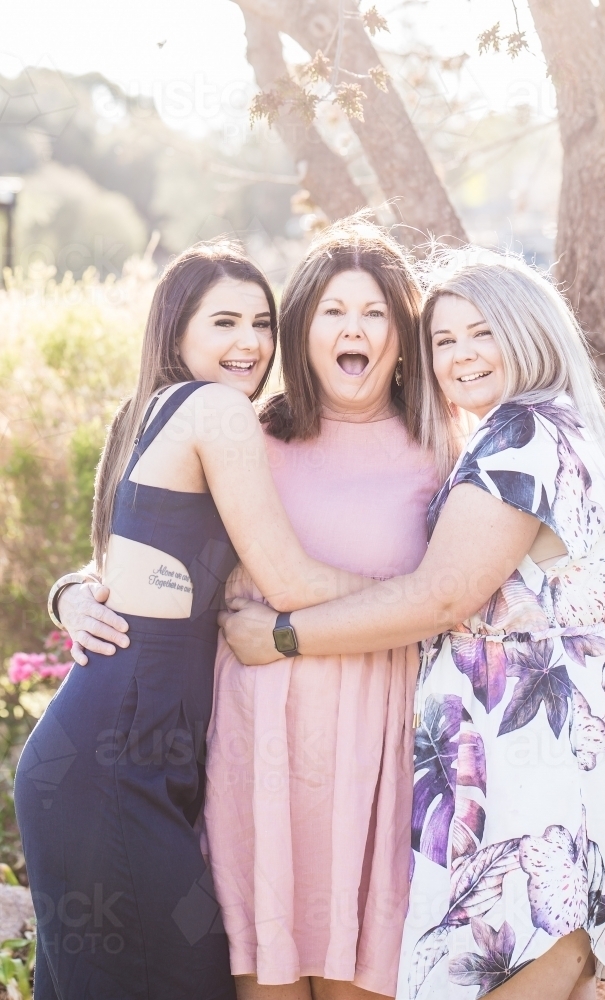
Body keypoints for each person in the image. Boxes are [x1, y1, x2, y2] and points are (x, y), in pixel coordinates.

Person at [56, 226, 605, 1000]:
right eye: (331, 311)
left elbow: (447, 591)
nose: (353, 330)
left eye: (374, 314)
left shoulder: (454, 446)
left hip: (386, 753)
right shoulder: (247, 434)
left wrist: (313, 622)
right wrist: (75, 593)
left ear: (402, 338)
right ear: (303, 330)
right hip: (257, 751)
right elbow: (146, 551)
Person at [222, 249, 605, 1000]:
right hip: (538, 766)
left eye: (480, 333)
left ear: (528, 334)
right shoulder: (530, 431)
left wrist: (282, 635)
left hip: (544, 776)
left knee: (533, 965)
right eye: (445, 339)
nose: (459, 356)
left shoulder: (518, 439)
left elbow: (437, 598)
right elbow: (461, 592)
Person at [16, 240, 374, 1000]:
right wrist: (435, 592)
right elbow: (287, 579)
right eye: (224, 323)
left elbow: (116, 569)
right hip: (116, 761)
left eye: (262, 322)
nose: (249, 342)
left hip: (119, 753)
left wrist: (68, 593)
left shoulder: (151, 411)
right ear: (176, 332)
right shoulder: (215, 409)